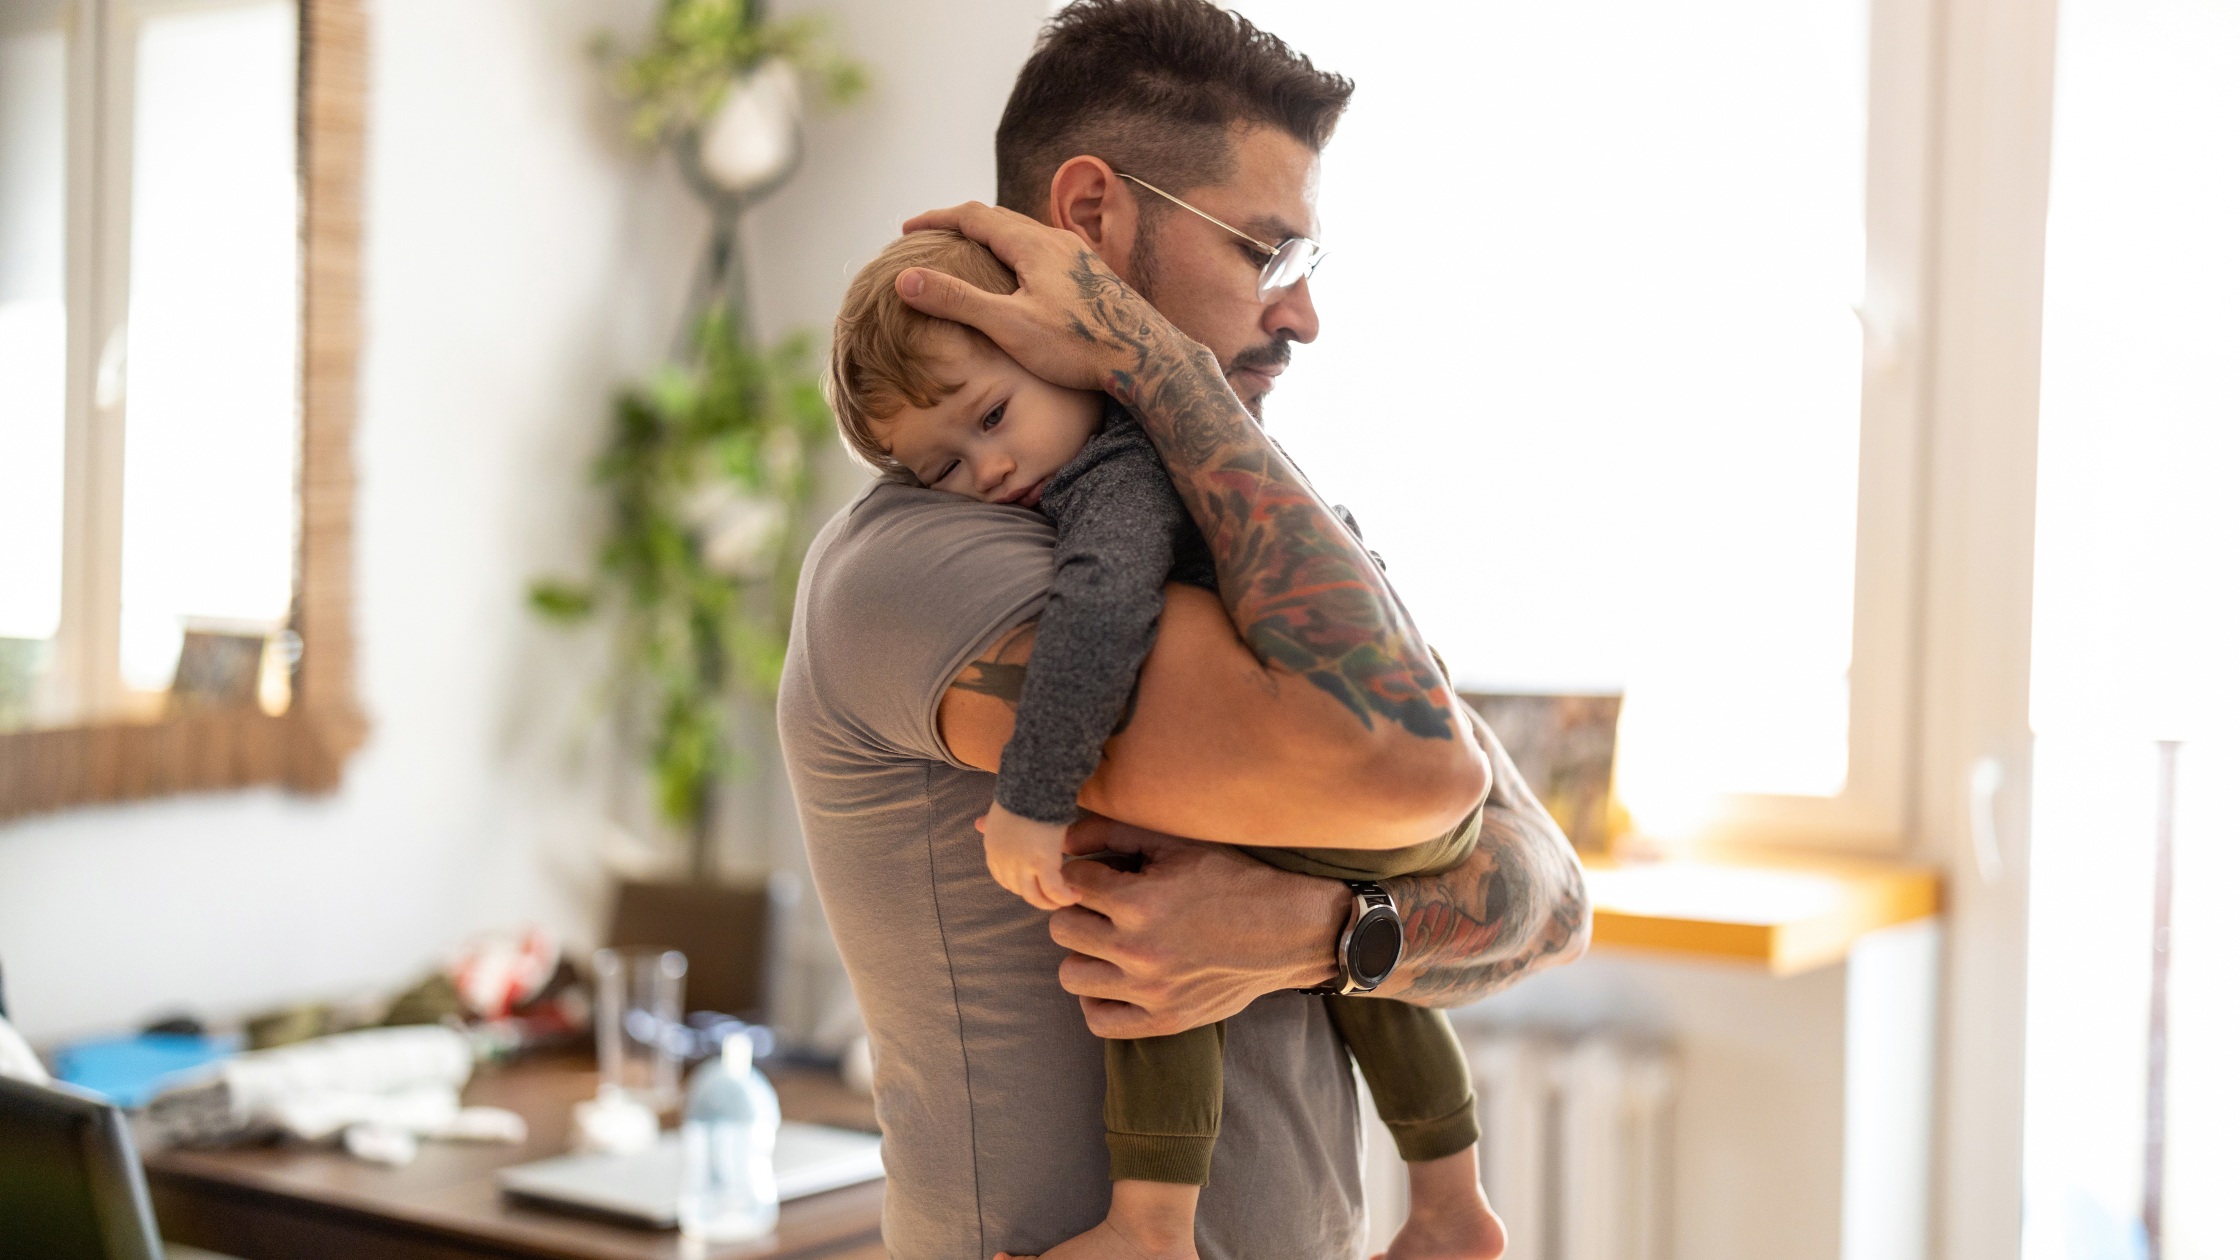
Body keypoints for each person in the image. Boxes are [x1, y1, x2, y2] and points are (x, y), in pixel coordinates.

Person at [777, 3, 1590, 1257]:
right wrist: (1161, 365)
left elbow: (1543, 889)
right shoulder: (927, 561)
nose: (1303, 315)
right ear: (1092, 219)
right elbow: (1414, 775)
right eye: (1264, 252)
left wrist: (1320, 933)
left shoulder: (1250, 515)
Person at [825, 227, 1504, 1260]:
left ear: (1056, 350)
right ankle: (1453, 1204)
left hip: (1375, 783)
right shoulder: (1210, 470)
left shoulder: (1115, 474)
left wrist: (1035, 797)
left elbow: (1100, 609)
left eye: (993, 417)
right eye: (942, 466)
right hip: (1399, 813)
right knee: (1360, 982)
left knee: (1141, 922)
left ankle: (1148, 1227)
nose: (990, 466)